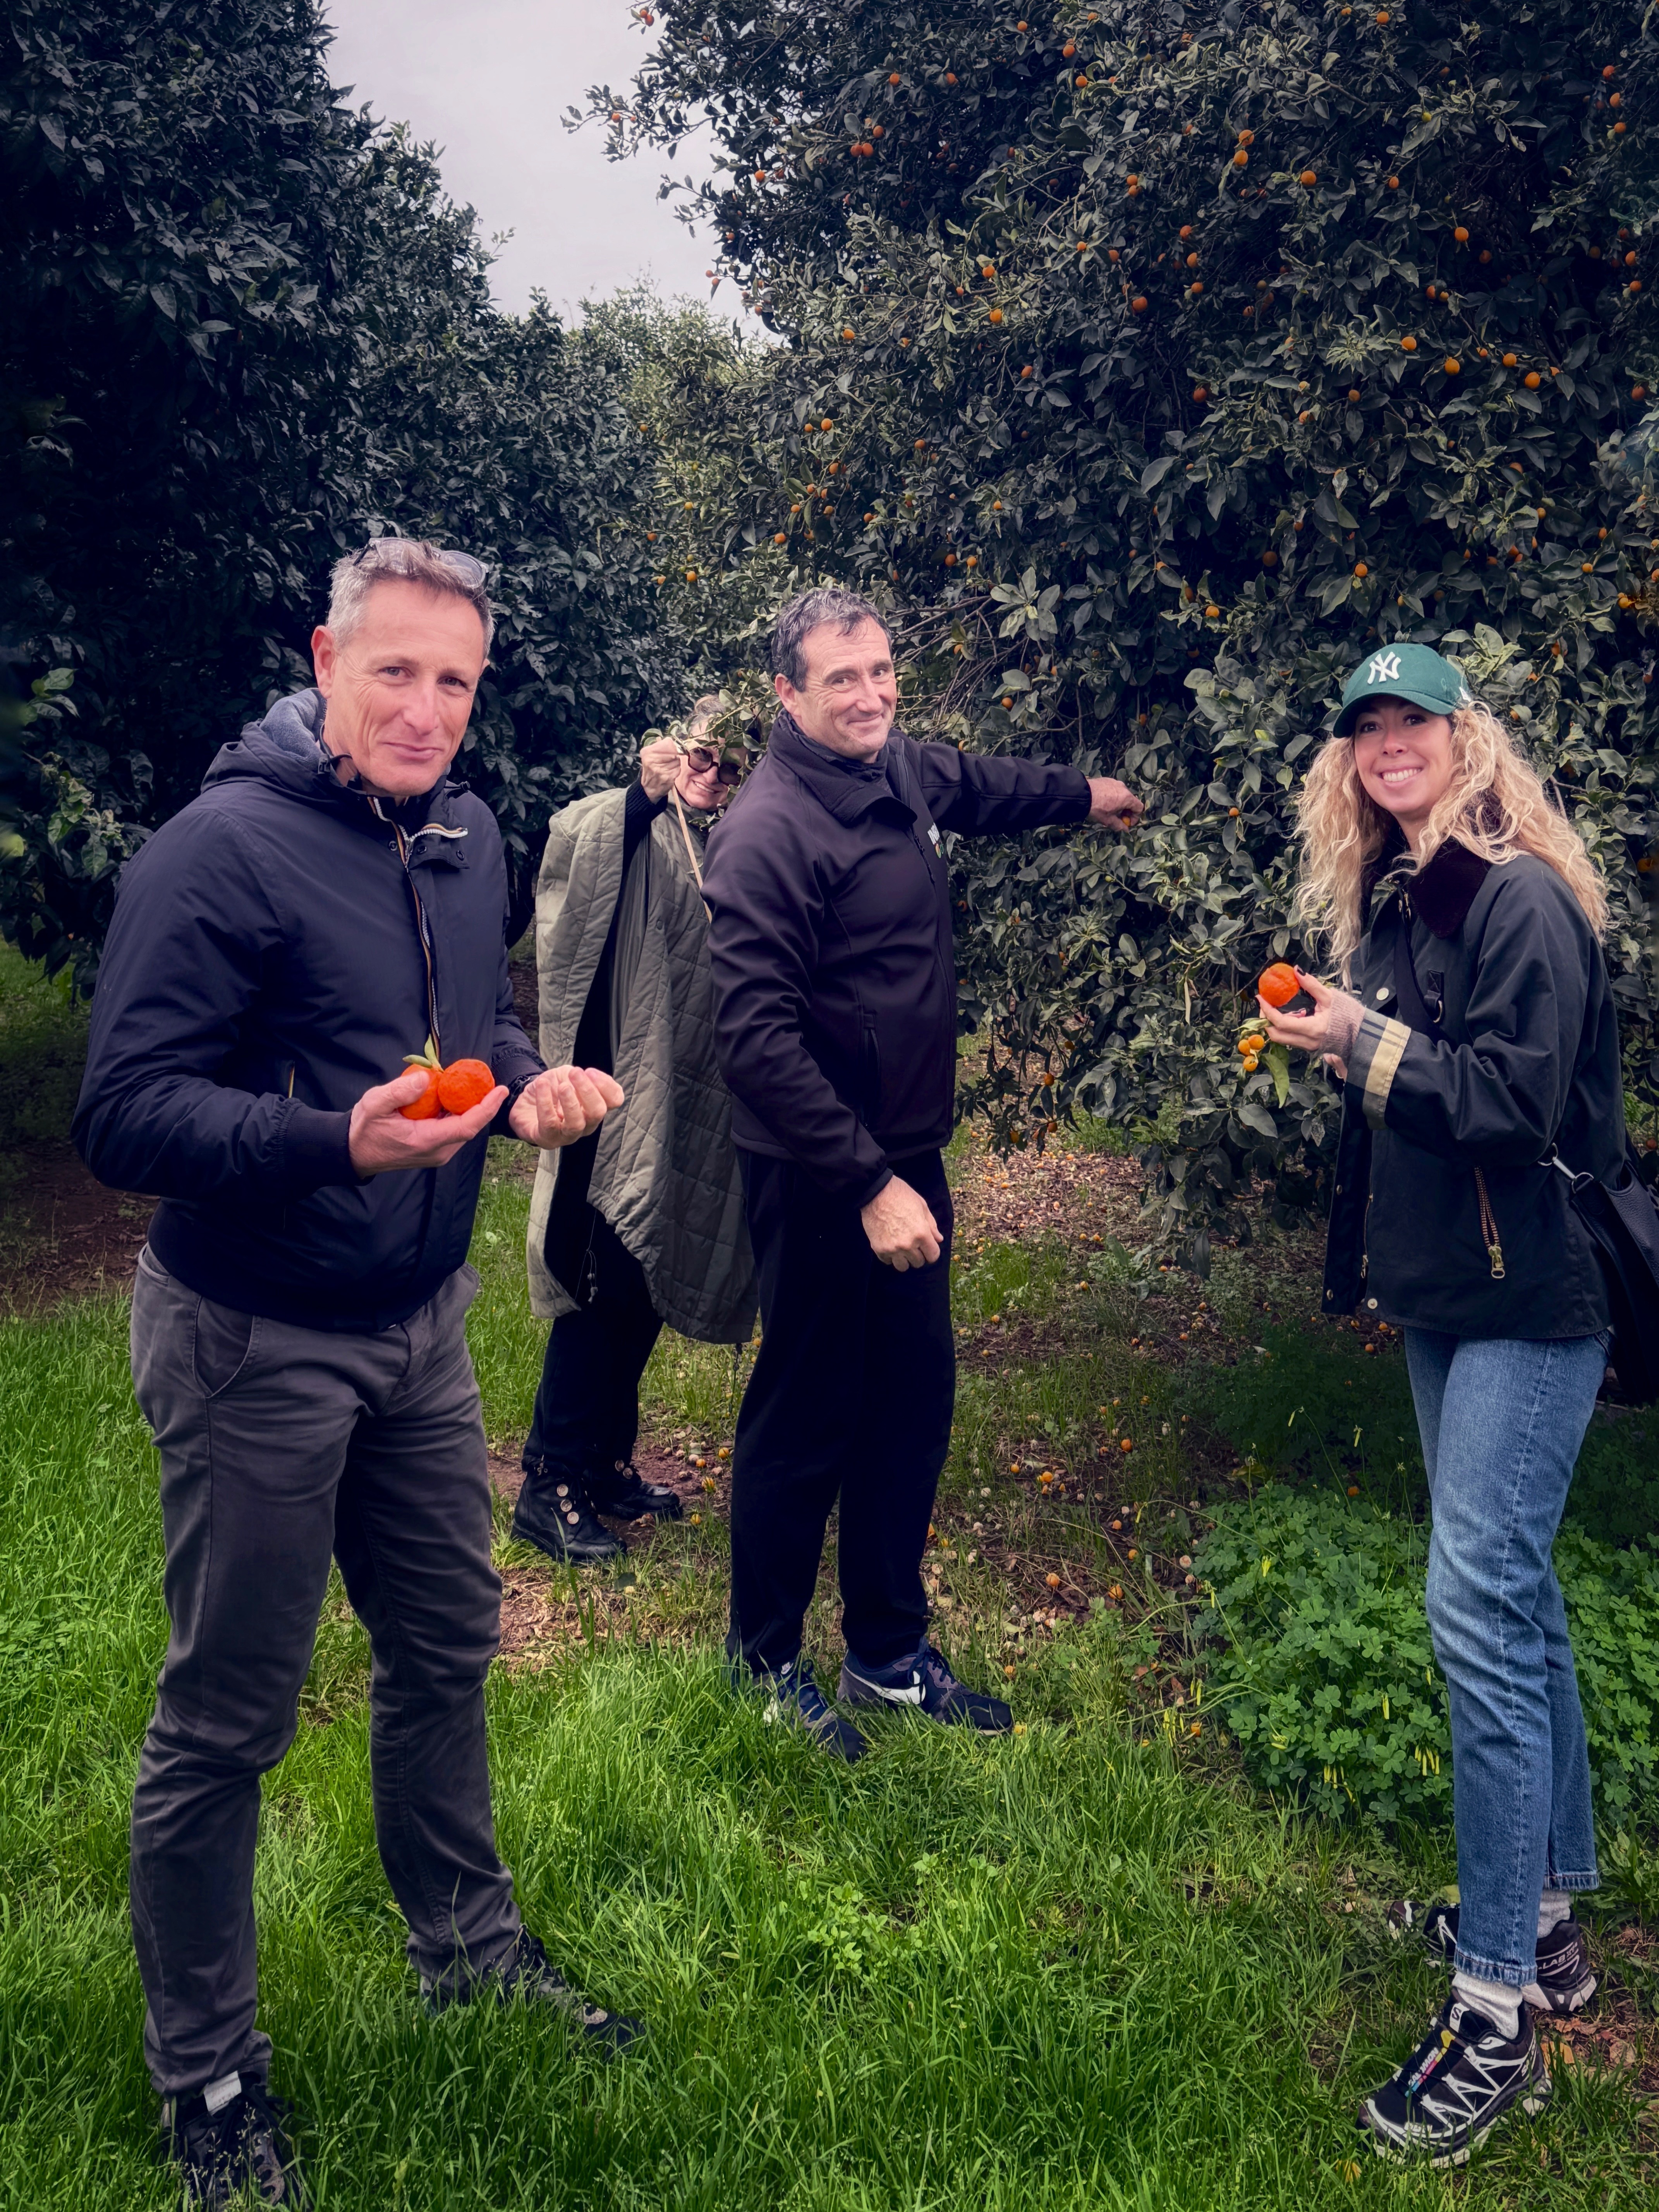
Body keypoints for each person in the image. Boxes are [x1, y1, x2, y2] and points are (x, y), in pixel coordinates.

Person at [72, 539, 638, 2209]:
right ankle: (212, 2083)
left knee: (448, 1648)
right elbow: (119, 1113)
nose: (427, 708)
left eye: (457, 680)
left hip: (421, 1324)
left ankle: (467, 1950)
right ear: (327, 659)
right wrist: (335, 1139)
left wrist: (524, 1081)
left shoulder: (463, 839)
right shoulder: (218, 852)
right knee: (229, 1718)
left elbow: (474, 1015)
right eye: (396, 670)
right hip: (254, 1333)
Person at [1259, 641, 1621, 2167]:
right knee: (1516, 1599)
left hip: (1534, 1308)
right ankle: (1542, 1917)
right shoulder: (1409, 894)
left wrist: (1359, 1040)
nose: (1389, 745)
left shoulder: (1516, 894)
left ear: (1468, 739)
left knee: (1473, 1606)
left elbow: (1513, 1106)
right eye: (1367, 728)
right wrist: (1352, 1034)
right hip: (1449, 1303)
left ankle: (1494, 2018)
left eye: (1415, 721)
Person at [701, 586, 1144, 1761]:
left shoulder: (892, 768)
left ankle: (887, 1653)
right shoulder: (769, 831)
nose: (869, 695)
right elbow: (751, 1037)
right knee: (807, 1411)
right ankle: (763, 1661)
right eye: (840, 679)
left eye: (881, 671)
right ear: (786, 694)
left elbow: (978, 784)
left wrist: (1085, 797)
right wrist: (862, 1183)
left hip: (901, 1154)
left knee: (909, 1401)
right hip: (817, 1171)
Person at [514, 699, 757, 1561]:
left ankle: (605, 1464)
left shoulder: (733, 838)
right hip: (605, 1097)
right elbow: (572, 851)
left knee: (645, 1278)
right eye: (702, 753)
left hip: (680, 1105)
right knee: (600, 1283)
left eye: (730, 762)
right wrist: (642, 796)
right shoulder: (632, 818)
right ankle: (549, 1484)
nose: (711, 773)